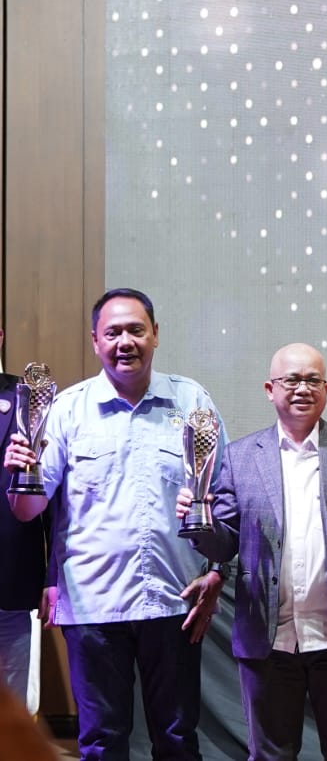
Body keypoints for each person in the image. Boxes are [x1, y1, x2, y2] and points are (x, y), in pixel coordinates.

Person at [2, 288, 228, 761]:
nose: (125, 342)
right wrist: (20, 476)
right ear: (95, 341)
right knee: (102, 743)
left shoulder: (191, 400)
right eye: (113, 333)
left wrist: (217, 572)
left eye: (135, 330)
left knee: (178, 740)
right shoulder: (67, 409)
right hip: (93, 605)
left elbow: (222, 496)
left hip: (173, 601)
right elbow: (28, 510)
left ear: (155, 334)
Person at [177, 343, 327, 760]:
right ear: (270, 389)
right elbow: (225, 544)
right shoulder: (240, 456)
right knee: (270, 755)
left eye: (313, 380)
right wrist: (197, 521)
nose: (303, 388)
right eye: (292, 380)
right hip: (269, 639)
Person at [0, 325, 46, 706]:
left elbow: (54, 493)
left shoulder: (27, 398)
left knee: (12, 711)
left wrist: (53, 576)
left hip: (10, 583)